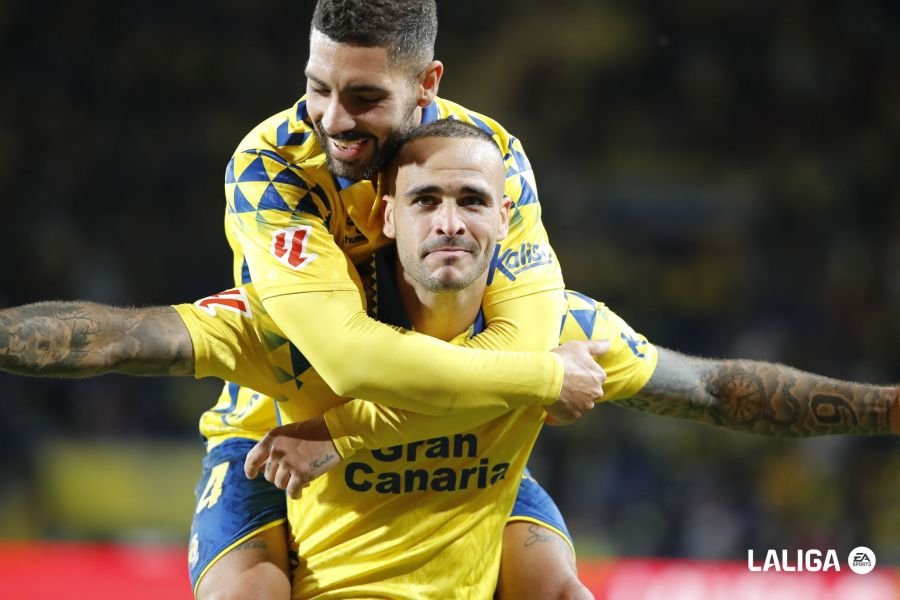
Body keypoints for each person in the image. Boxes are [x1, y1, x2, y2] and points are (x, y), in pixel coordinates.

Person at [2, 121, 898, 596]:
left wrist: (885, 407)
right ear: (386, 218)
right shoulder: (303, 320)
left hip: (468, 478)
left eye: (474, 199)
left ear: (507, 222)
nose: (450, 220)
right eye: (425, 200)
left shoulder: (558, 324)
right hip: (272, 466)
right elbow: (125, 335)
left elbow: (708, 388)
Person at [195, 0, 606, 596]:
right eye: (317, 88)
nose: (332, 120)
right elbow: (351, 361)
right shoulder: (272, 167)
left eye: (364, 99)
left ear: (426, 85)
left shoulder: (489, 157)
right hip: (274, 429)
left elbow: (521, 345)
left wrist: (346, 435)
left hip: (459, 416)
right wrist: (546, 379)